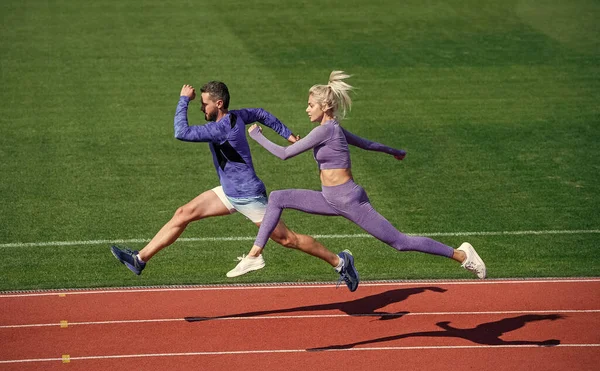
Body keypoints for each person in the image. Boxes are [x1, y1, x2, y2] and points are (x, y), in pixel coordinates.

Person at [240, 71, 487, 285]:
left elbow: (284, 154)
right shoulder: (333, 128)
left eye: (310, 105)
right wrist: (394, 152)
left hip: (349, 201)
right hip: (329, 198)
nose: (306, 109)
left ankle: (461, 254)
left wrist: (258, 136)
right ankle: (255, 254)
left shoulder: (324, 130)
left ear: (324, 107)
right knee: (277, 197)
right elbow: (366, 144)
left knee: (400, 242)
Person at [110, 81, 358, 285]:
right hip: (229, 192)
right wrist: (289, 135)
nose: (202, 108)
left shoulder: (221, 130)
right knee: (183, 213)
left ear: (219, 104)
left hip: (248, 196)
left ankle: (340, 262)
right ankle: (140, 259)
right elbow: (261, 113)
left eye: (204, 104)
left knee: (287, 239)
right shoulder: (237, 116)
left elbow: (181, 132)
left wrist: (183, 99)